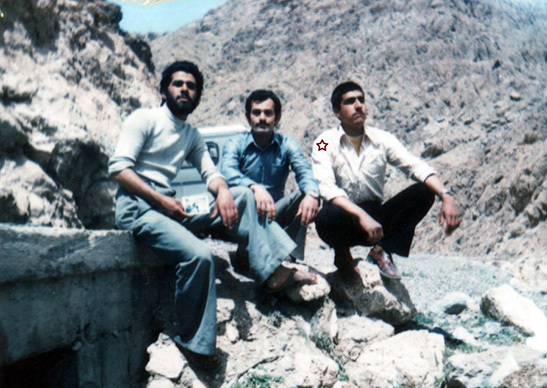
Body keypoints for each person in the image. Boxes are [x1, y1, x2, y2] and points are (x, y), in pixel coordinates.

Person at [108, 61, 315, 370]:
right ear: (164, 91)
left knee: (242, 195)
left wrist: (222, 191)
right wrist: (160, 200)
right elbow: (119, 169)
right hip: (139, 206)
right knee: (200, 255)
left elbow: (212, 172)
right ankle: (193, 342)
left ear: (198, 96)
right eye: (178, 84)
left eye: (191, 86)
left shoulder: (191, 134)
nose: (184, 90)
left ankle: (271, 271)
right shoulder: (144, 119)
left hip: (171, 206)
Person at [311, 81, 460, 280]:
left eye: (361, 100)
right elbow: (325, 186)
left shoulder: (382, 138)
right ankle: (342, 255)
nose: (358, 106)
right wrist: (360, 215)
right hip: (344, 217)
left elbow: (414, 165)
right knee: (325, 217)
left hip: (376, 221)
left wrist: (446, 195)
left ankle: (382, 250)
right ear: (337, 112)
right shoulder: (323, 142)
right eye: (350, 101)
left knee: (424, 192)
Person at [221, 89, 320, 266]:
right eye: (256, 112)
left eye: (268, 113)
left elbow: (304, 171)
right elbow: (228, 172)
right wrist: (254, 188)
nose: (262, 118)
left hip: (275, 213)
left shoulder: (287, 144)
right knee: (242, 198)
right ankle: (247, 251)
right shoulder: (235, 143)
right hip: (245, 218)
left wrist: (312, 194)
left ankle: (289, 256)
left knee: (304, 194)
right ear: (248, 117)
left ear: (277, 117)